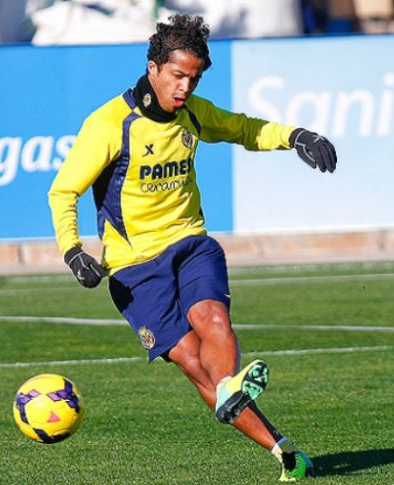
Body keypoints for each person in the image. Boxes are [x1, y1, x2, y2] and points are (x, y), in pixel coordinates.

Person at [48, 13, 336, 482]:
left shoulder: (193, 114)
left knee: (212, 319)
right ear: (154, 68)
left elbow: (244, 129)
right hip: (134, 269)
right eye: (178, 75)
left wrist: (295, 136)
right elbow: (63, 191)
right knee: (191, 361)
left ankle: (229, 388)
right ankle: (284, 451)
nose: (185, 87)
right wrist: (73, 250)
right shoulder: (109, 124)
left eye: (194, 78)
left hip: (189, 243)